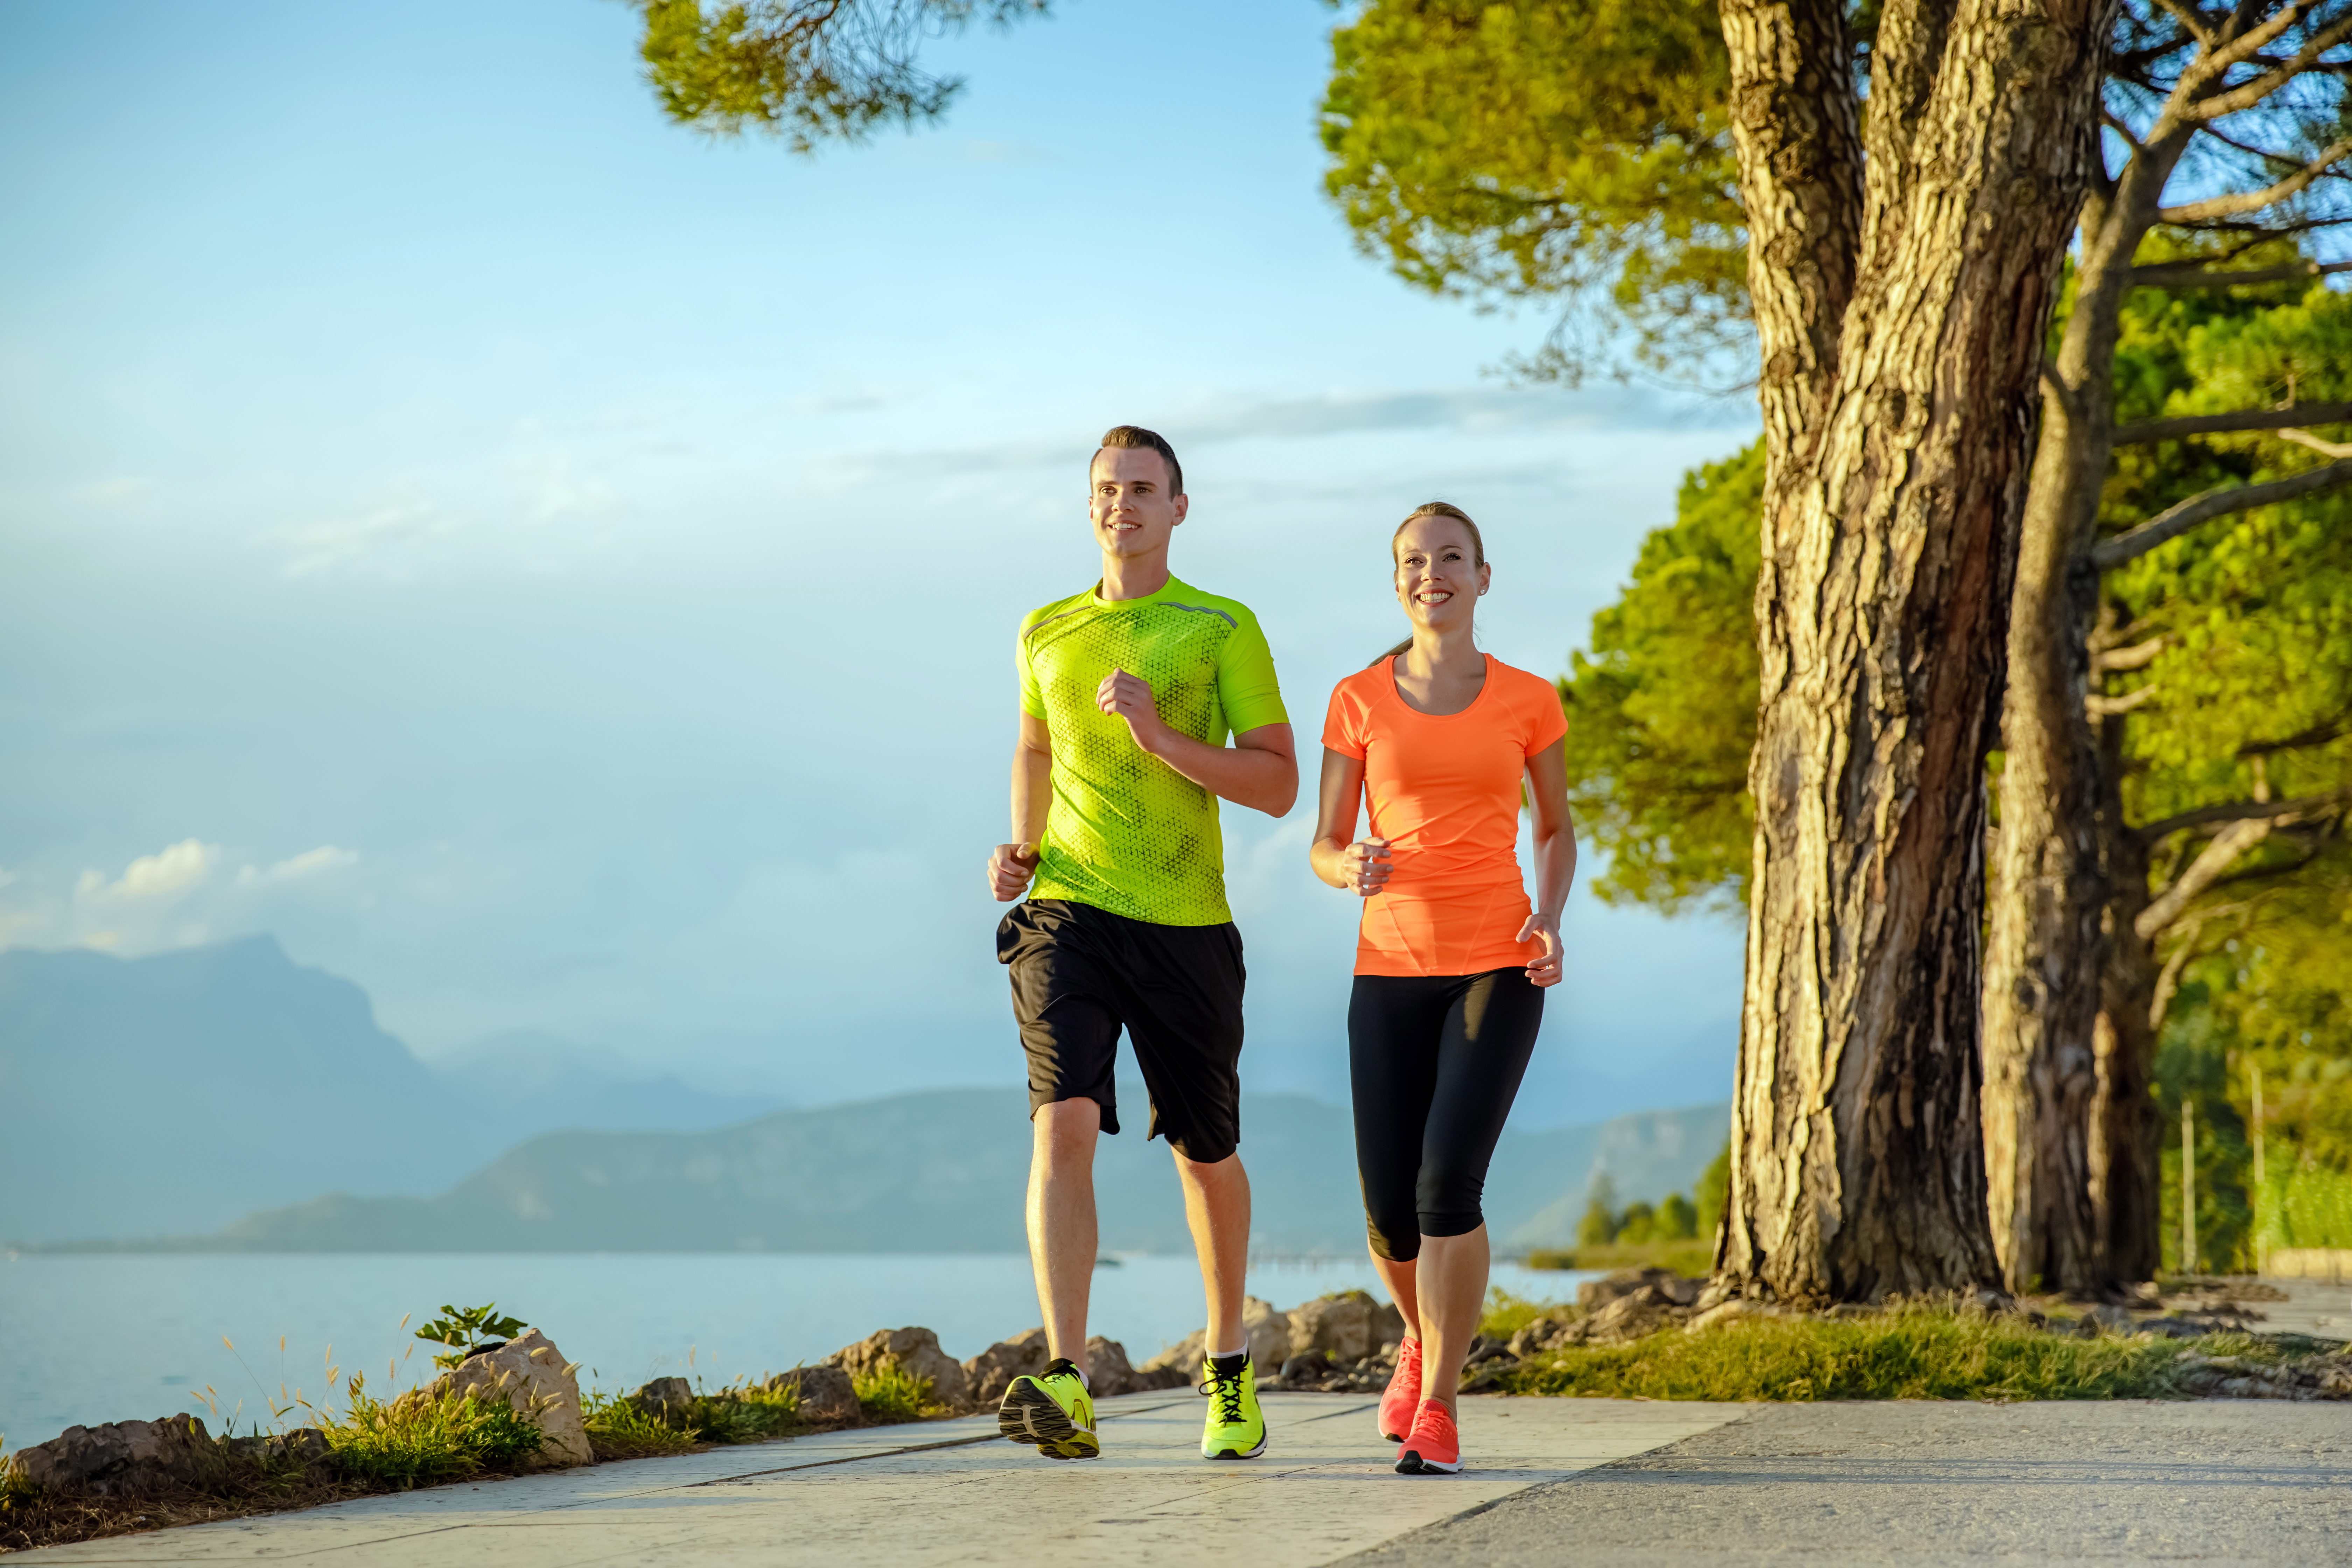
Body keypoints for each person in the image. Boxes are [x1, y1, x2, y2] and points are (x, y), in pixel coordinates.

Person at [986, 425, 1298, 1463]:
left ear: (1178, 510)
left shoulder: (1221, 628)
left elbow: (1278, 784)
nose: (1124, 504)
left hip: (1186, 924)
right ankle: (1068, 1376)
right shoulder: (1045, 629)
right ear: (1090, 508)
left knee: (1204, 1155)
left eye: (1145, 489)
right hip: (1067, 912)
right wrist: (1023, 849)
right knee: (1061, 1121)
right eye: (1108, 489)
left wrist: (1162, 737)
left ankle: (1226, 1366)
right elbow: (1034, 745)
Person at [1309, 501, 1577, 1477]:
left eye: (1452, 558)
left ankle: (1440, 1402)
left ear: (1483, 577)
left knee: (1445, 1187)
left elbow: (1554, 827)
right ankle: (1419, 1336)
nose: (1435, 574)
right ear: (1398, 583)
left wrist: (1549, 914)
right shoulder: (1356, 699)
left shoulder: (1528, 699)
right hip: (1387, 968)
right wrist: (1352, 869)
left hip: (1497, 961)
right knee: (1387, 1210)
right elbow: (1324, 843)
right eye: (1416, 562)